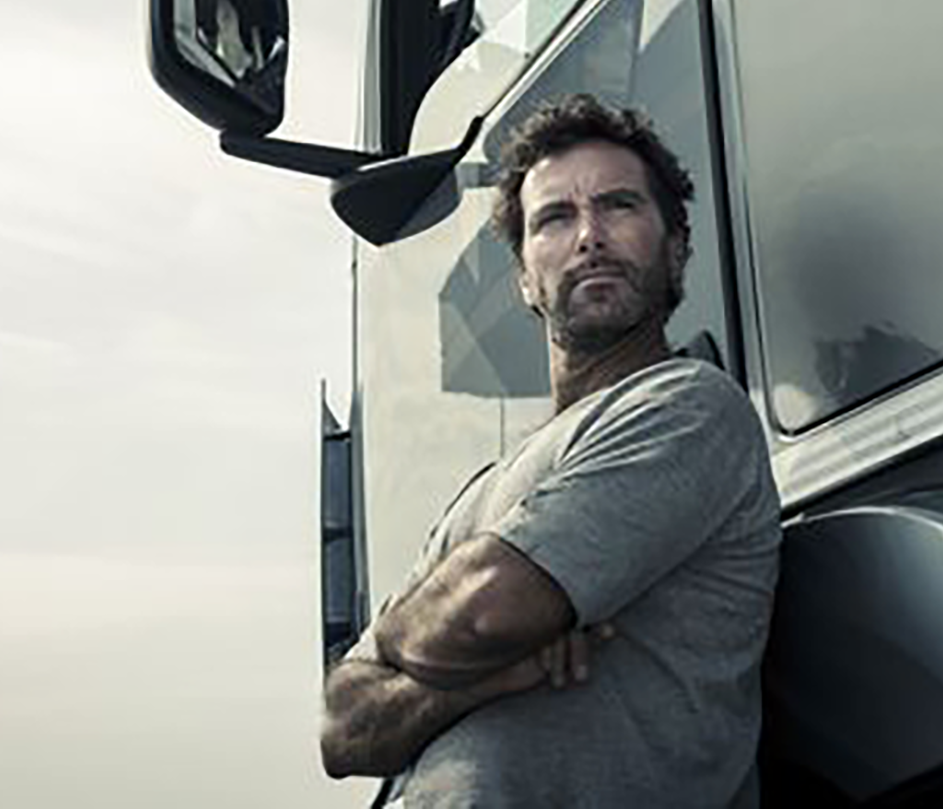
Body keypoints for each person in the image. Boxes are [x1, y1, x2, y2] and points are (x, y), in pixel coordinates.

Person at [320, 94, 780, 807]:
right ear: (525, 280)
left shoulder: (688, 407)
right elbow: (341, 727)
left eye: (619, 205)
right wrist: (489, 676)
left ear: (677, 246)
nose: (589, 236)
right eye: (555, 218)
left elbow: (482, 614)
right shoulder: (481, 492)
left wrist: (418, 641)